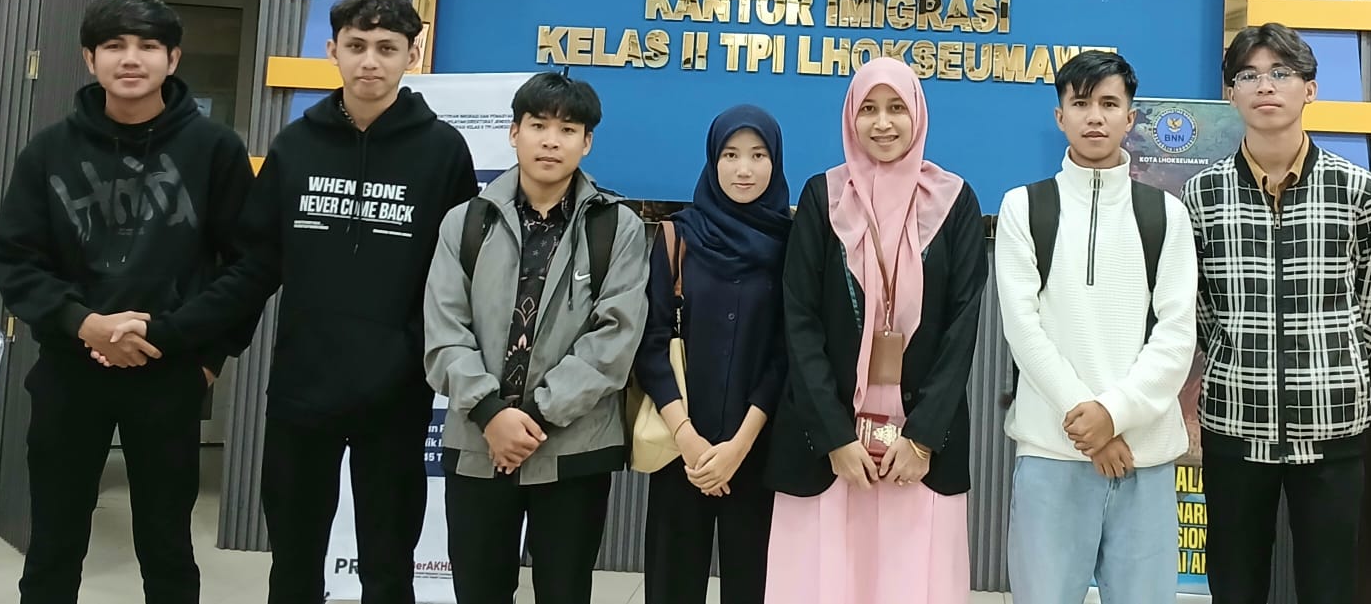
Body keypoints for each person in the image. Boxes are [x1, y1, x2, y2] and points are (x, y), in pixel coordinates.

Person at [133, 0, 479, 604]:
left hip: (397, 393)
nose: (369, 61)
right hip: (302, 388)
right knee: (293, 566)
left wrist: (428, 359)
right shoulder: (296, 144)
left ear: (412, 55)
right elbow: (253, 266)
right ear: (331, 50)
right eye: (356, 45)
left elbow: (458, 278)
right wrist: (191, 343)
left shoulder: (443, 151)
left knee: (388, 569)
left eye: (386, 48)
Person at [0, 0, 253, 604]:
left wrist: (202, 353)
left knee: (167, 547)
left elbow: (247, 265)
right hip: (69, 369)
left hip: (172, 370)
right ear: (90, 58)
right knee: (53, 546)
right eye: (114, 45)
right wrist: (83, 323)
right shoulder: (48, 150)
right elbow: (14, 258)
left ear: (173, 58)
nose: (131, 58)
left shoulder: (215, 150)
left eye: (148, 46)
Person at [1181, 23, 1371, 604]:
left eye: (1281, 73)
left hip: (1332, 422)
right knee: (1234, 582)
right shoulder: (1202, 195)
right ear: (1231, 93)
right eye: (1249, 75)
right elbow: (1195, 307)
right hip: (1235, 420)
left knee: (1329, 585)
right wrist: (1236, 353)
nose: (1265, 86)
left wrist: (1333, 357)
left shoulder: (1358, 190)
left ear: (1310, 89)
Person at [764, 57, 989, 604]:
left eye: (896, 108)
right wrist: (835, 438)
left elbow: (962, 326)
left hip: (920, 447)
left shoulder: (955, 200)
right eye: (868, 109)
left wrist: (923, 438)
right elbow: (799, 320)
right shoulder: (822, 196)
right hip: (832, 445)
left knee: (910, 584)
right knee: (825, 582)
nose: (882, 123)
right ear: (850, 117)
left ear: (917, 115)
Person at [424, 72, 649, 604]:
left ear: (586, 142)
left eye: (568, 130)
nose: (551, 140)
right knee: (478, 591)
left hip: (573, 448)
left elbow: (615, 339)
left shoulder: (616, 227)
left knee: (564, 591)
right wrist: (492, 415)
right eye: (538, 125)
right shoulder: (465, 222)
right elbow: (444, 331)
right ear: (513, 132)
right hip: (479, 441)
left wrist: (534, 419)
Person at [996, 50, 1197, 603]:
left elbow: (1176, 335)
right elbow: (1023, 329)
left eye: (1109, 104)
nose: (1094, 117)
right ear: (1059, 116)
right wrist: (1091, 425)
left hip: (1143, 456)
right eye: (1081, 103)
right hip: (1052, 453)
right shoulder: (1023, 207)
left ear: (1130, 118)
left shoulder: (1167, 215)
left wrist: (1115, 415)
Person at [635, 105, 791, 604]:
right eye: (730, 155)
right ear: (712, 159)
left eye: (758, 155)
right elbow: (651, 343)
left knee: (754, 587)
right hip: (680, 451)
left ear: (775, 162)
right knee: (672, 586)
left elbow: (786, 354)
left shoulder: (790, 245)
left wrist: (738, 446)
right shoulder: (677, 237)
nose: (744, 169)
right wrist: (689, 440)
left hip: (757, 453)